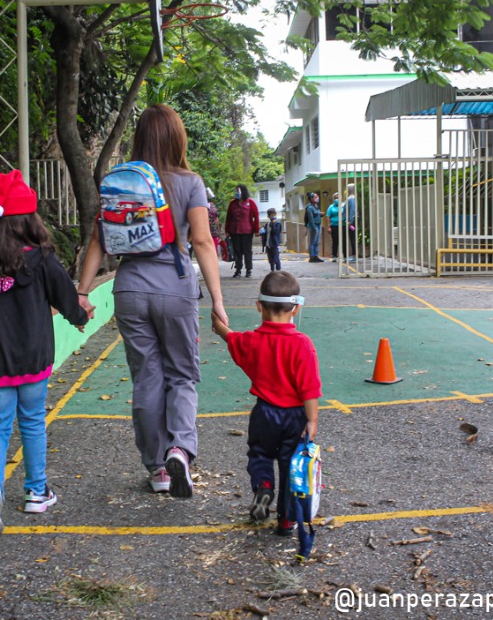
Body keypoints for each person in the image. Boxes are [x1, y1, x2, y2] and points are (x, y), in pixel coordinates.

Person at [77, 104, 228, 499]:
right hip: (175, 286)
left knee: (147, 376)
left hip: (129, 287)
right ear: (178, 137)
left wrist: (82, 292)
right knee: (181, 375)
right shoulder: (190, 182)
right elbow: (201, 241)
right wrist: (217, 300)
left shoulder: (120, 181)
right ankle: (179, 448)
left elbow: (98, 241)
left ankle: (157, 469)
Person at [0, 169, 90, 537]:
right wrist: (79, 316)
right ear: (29, 218)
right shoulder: (41, 259)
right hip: (33, 360)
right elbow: (65, 297)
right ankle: (37, 491)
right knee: (32, 421)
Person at [211, 271, 321, 538]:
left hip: (264, 413)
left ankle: (263, 486)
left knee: (259, 455)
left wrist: (218, 318)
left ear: (258, 305)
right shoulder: (302, 344)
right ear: (296, 308)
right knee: (289, 466)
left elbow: (229, 336)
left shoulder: (251, 341)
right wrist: (312, 420)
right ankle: (286, 521)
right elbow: (309, 389)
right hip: (294, 416)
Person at [225, 183, 260, 278]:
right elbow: (228, 218)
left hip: (247, 231)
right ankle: (238, 269)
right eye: (236, 191)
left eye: (238, 191)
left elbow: (256, 217)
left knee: (247, 251)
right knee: (237, 251)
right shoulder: (232, 203)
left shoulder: (250, 203)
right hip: (234, 231)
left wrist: (256, 229)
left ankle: (248, 269)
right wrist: (227, 230)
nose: (237, 192)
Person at [304, 193, 323, 263]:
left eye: (317, 196)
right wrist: (314, 228)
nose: (317, 198)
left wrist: (320, 214)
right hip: (313, 226)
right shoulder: (309, 208)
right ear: (311, 199)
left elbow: (316, 214)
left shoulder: (316, 206)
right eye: (315, 197)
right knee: (312, 242)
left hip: (318, 225)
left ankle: (316, 256)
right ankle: (312, 257)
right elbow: (311, 219)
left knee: (317, 242)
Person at [264, 207, 282, 272]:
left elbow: (275, 232)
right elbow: (266, 233)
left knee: (276, 257)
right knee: (270, 258)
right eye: (270, 215)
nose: (271, 217)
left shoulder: (277, 223)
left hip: (274, 243)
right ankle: (272, 269)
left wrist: (273, 224)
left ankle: (278, 269)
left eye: (273, 215)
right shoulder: (268, 224)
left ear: (275, 214)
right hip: (268, 243)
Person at [344, 183, 358, 262]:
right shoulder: (351, 198)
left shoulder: (351, 199)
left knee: (352, 238)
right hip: (351, 221)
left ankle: (354, 256)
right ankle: (353, 256)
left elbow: (352, 210)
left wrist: (350, 221)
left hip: (351, 221)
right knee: (352, 237)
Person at [206, 188, 222, 256]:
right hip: (206, 231)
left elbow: (216, 219)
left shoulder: (212, 205)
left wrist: (218, 231)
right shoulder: (201, 205)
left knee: (213, 249)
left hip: (213, 231)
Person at [326, 196, 341, 262]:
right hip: (334, 225)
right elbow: (328, 217)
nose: (336, 199)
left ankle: (343, 255)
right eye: (335, 198)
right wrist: (329, 227)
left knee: (343, 241)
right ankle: (334, 255)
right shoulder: (331, 207)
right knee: (335, 241)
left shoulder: (343, 205)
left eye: (338, 197)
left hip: (342, 225)